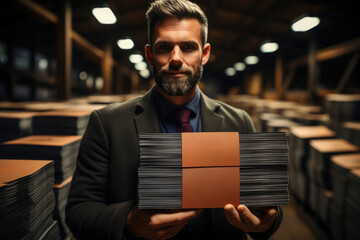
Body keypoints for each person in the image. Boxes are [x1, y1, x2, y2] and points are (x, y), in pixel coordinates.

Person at [66, 0, 283, 239]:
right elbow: (78, 211)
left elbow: (267, 206)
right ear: (149, 55)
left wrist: (265, 223)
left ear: (205, 54)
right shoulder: (108, 124)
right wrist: (129, 221)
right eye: (164, 47)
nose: (176, 58)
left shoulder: (239, 122)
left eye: (188, 47)